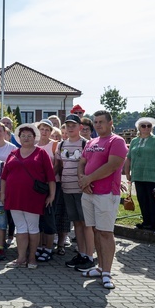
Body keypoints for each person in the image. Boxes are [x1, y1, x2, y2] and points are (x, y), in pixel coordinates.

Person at [77, 111, 127, 289]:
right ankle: (99, 268)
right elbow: (82, 162)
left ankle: (107, 271)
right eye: (95, 122)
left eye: (101, 122)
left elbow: (112, 165)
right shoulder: (91, 142)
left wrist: (88, 179)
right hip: (88, 193)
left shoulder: (117, 141)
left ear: (110, 123)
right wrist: (82, 180)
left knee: (106, 232)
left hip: (106, 194)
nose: (97, 125)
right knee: (95, 230)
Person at [0, 123, 56, 269]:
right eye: (23, 136)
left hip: (34, 197)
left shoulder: (41, 153)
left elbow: (51, 177)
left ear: (34, 138)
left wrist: (52, 195)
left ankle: (32, 258)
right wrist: (3, 193)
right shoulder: (12, 154)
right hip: (14, 197)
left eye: (29, 136)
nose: (26, 138)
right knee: (20, 228)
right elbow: (4, 177)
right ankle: (21, 258)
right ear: (19, 138)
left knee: (33, 227)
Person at [56, 114, 94, 270]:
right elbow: (58, 166)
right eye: (67, 125)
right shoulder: (61, 144)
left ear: (80, 127)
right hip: (66, 188)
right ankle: (81, 254)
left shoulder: (86, 143)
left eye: (74, 125)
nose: (70, 128)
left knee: (86, 223)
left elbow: (91, 165)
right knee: (77, 222)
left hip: (82, 189)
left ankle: (89, 255)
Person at [124, 116, 155, 233]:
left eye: (149, 126)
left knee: (154, 201)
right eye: (143, 126)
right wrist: (127, 172)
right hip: (138, 175)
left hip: (153, 176)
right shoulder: (134, 141)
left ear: (152, 127)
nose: (146, 128)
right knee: (143, 200)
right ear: (139, 128)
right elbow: (128, 158)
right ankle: (147, 223)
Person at [35, 119, 59, 263]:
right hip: (37, 187)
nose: (44, 132)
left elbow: (58, 165)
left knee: (49, 217)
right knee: (38, 218)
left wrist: (47, 177)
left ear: (51, 131)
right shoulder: (34, 146)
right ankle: (40, 246)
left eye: (47, 129)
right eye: (42, 129)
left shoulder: (54, 145)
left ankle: (49, 248)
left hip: (52, 185)